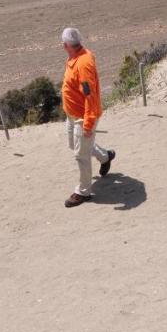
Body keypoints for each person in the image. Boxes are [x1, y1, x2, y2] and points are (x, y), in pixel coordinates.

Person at [60, 28, 115, 207]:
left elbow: (90, 97)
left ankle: (83, 192)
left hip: (82, 117)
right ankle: (105, 156)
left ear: (65, 45)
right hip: (72, 114)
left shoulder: (83, 64)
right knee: (74, 145)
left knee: (81, 156)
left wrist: (88, 124)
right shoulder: (76, 55)